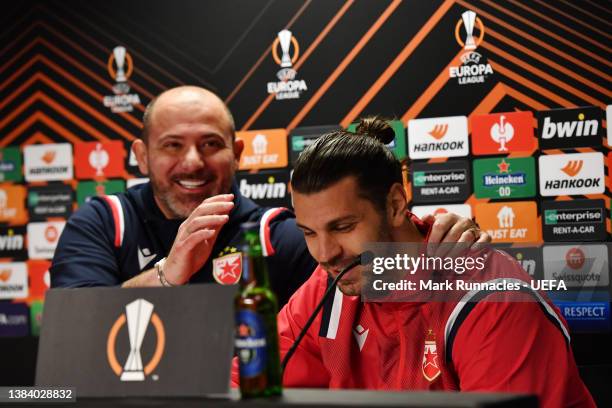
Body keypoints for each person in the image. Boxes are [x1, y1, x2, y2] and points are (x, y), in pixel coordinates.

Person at [50, 86, 488, 307]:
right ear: (141, 156)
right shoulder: (103, 221)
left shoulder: (277, 233)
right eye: (171, 145)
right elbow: (70, 331)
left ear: (237, 154)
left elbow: (365, 259)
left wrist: (439, 237)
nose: (193, 162)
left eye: (210, 144)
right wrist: (168, 274)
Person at [260, 118, 594, 407]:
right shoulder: (329, 286)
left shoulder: (492, 298)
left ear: (394, 204)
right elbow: (248, 385)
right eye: (309, 233)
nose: (324, 253)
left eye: (343, 227)